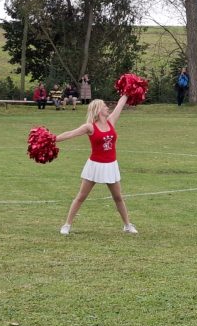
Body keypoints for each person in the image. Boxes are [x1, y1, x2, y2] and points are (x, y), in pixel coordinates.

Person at [55, 95, 137, 235]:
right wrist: (53, 139)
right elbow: (71, 134)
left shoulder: (111, 121)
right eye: (104, 106)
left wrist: (127, 91)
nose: (107, 107)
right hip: (95, 166)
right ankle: (67, 225)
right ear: (98, 109)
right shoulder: (90, 127)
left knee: (118, 197)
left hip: (110, 165)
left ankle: (127, 225)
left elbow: (120, 105)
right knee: (81, 196)